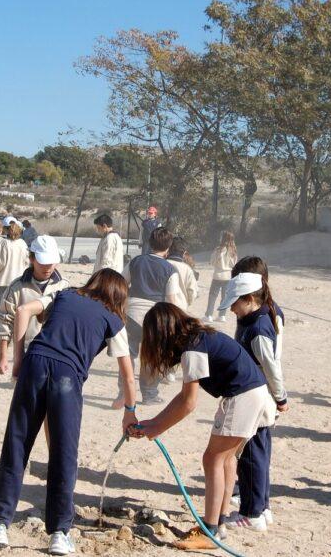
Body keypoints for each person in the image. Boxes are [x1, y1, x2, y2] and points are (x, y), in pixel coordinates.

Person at [0, 269, 138, 556]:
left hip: (35, 363)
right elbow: (128, 376)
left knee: (17, 446)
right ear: (119, 296)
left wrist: (19, 360)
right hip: (67, 375)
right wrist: (130, 410)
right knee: (64, 454)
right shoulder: (114, 319)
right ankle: (59, 533)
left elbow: (23, 310)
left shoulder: (64, 294)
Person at [131, 303, 275, 550]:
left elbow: (188, 403)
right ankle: (218, 526)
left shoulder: (192, 347)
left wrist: (157, 428)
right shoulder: (199, 337)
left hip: (243, 396)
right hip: (256, 393)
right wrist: (154, 423)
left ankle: (208, 531)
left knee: (212, 459)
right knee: (227, 460)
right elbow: (182, 398)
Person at [219, 270, 287, 532]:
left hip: (257, 401)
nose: (233, 310)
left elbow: (272, 367)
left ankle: (252, 513)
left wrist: (281, 398)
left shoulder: (257, 329)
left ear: (249, 299)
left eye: (235, 303)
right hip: (258, 399)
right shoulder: (254, 319)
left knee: (250, 458)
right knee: (259, 455)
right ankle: (263, 506)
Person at [116, 227, 186, 407]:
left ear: (149, 243)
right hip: (155, 318)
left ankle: (123, 392)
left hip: (131, 314)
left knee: (128, 355)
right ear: (169, 247)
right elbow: (171, 298)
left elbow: (121, 282)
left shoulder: (136, 261)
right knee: (151, 357)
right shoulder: (170, 269)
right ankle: (149, 395)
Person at [0, 236, 69, 376]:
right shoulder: (16, 288)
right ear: (32, 259)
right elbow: (5, 321)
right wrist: (3, 357)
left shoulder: (64, 286)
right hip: (27, 352)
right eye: (43, 262)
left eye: (51, 262)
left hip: (57, 353)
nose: (48, 267)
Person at [0, 222, 30, 336]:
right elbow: (27, 261)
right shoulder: (23, 243)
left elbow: (0, 262)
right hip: (19, 281)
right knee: (16, 310)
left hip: (4, 280)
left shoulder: (5, 243)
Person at [204, 231, 238, 323]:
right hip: (228, 276)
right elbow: (234, 264)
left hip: (218, 275)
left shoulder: (218, 249)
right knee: (225, 297)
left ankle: (209, 315)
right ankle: (222, 316)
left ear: (223, 238)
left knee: (212, 296)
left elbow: (212, 262)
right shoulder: (233, 250)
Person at [167, 237, 199, 313]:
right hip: (180, 308)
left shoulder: (163, 264)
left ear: (168, 249)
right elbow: (192, 290)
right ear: (184, 253)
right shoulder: (187, 269)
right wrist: (188, 302)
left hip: (162, 306)